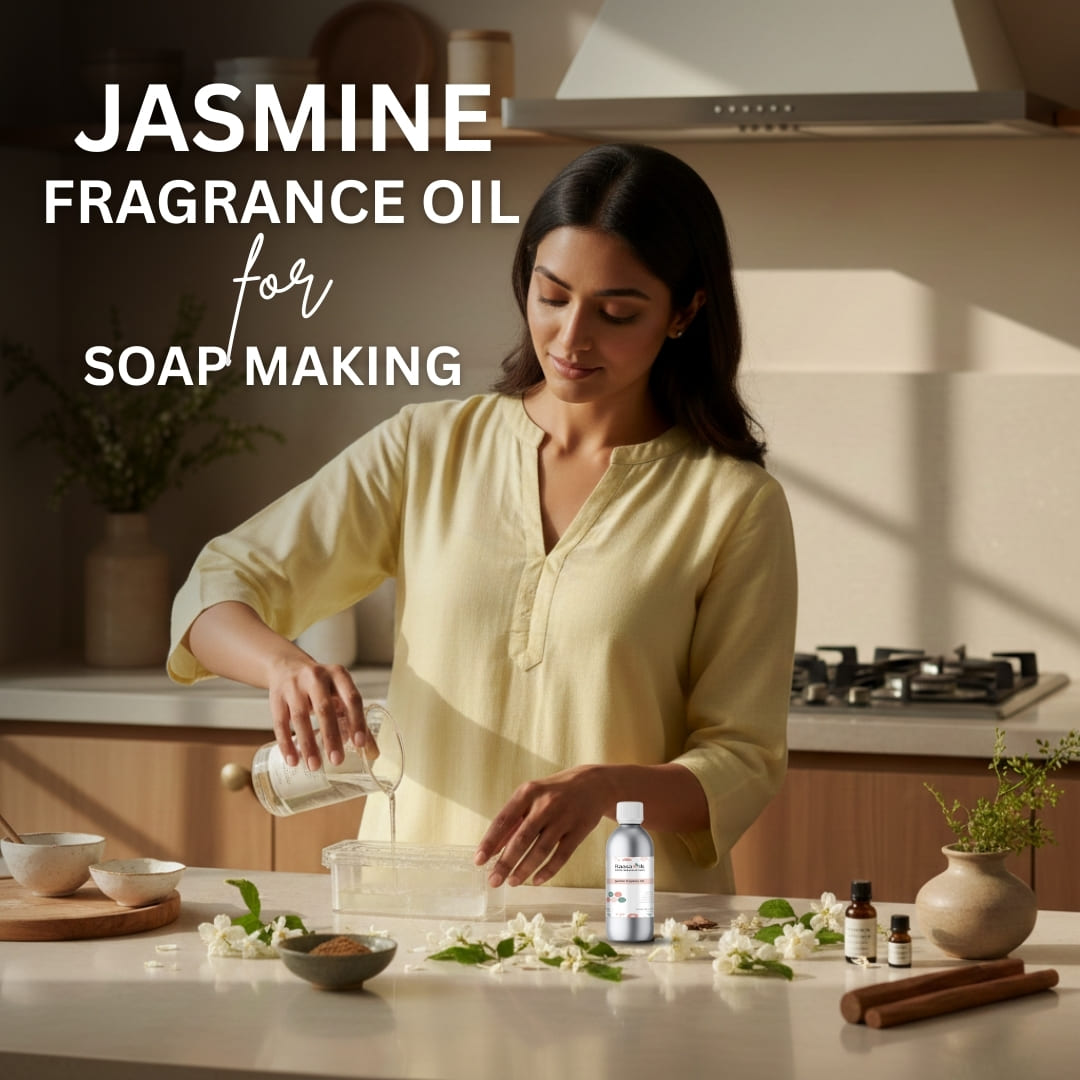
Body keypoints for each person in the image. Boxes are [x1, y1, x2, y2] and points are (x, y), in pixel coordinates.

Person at [168, 143, 797, 894]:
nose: (571, 338)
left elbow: (744, 759)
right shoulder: (426, 447)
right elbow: (215, 586)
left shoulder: (731, 503)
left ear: (685, 311)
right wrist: (284, 667)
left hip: (626, 935)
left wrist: (603, 788)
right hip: (420, 914)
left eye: (617, 312)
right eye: (552, 295)